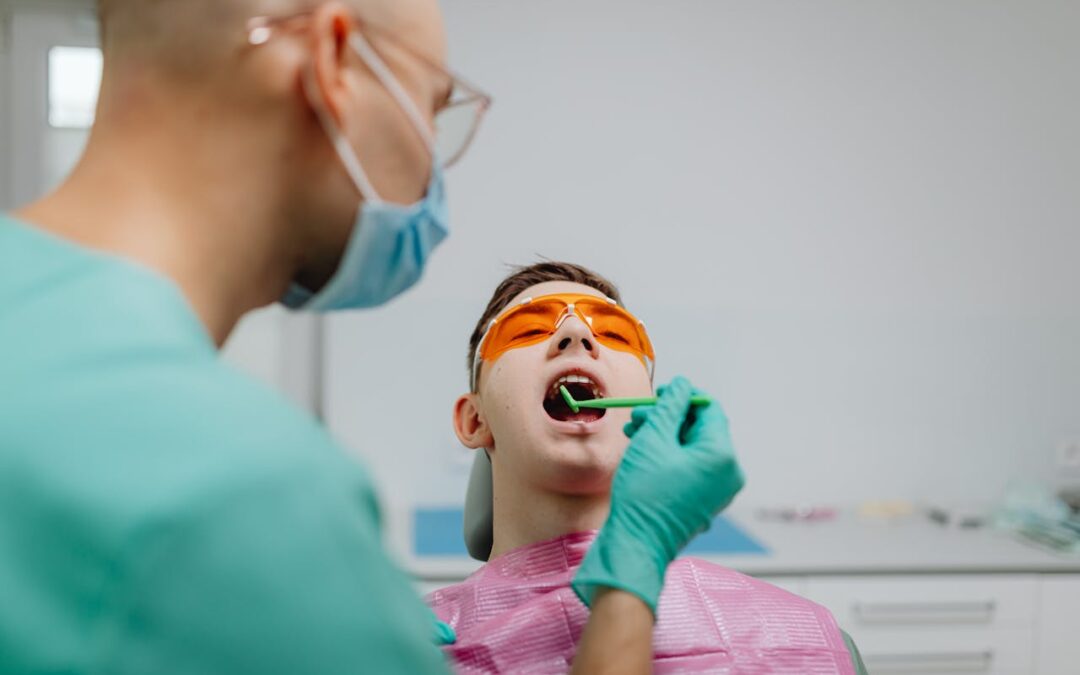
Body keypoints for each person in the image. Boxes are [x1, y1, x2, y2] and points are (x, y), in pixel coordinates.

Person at [0, 1, 743, 672]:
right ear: (332, 62)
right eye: (431, 107)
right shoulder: (246, 497)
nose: (576, 336)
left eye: (607, 330)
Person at [431, 262, 868, 674]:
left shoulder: (808, 639)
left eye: (616, 334)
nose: (577, 333)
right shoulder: (406, 647)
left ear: (646, 404)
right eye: (527, 328)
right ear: (474, 420)